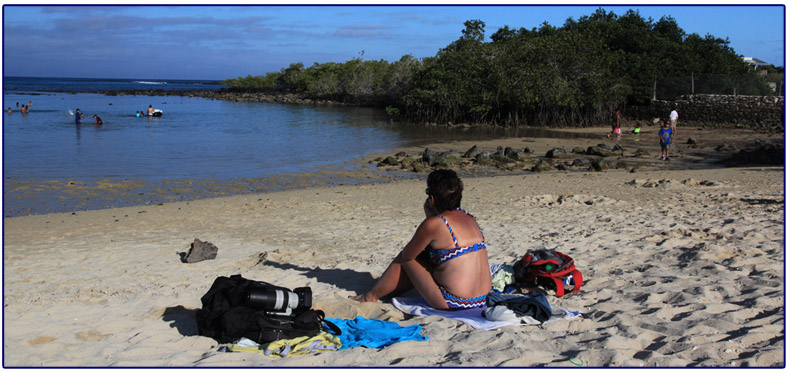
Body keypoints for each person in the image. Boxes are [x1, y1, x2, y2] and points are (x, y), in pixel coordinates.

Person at [354, 169, 492, 310]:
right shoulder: (470, 218)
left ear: (432, 199)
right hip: (482, 300)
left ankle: (370, 297)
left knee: (406, 257)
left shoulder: (435, 224)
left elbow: (408, 255)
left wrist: (429, 218)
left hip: (455, 302)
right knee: (428, 255)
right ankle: (386, 292)